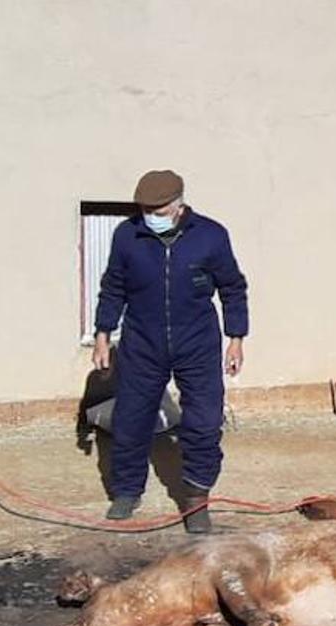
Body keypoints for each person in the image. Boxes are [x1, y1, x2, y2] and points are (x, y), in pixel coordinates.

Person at [93, 170, 248, 532]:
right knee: (131, 419)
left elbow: (232, 288)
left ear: (178, 205)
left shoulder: (210, 236)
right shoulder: (127, 235)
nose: (151, 216)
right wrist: (102, 334)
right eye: (145, 210)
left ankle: (196, 498)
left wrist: (236, 338)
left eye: (158, 210)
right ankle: (127, 491)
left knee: (204, 422)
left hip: (197, 342)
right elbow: (113, 286)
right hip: (142, 342)